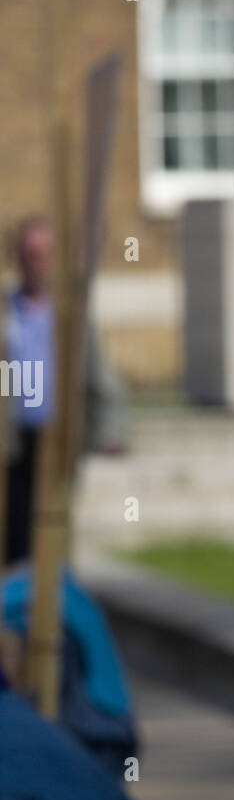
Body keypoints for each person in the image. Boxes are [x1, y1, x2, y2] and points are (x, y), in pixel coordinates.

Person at [4, 215, 128, 564]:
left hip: (57, 439)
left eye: (43, 255)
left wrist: (110, 431)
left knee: (52, 527)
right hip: (11, 440)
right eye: (29, 254)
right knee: (13, 526)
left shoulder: (70, 316)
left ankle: (52, 598)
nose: (36, 263)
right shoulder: (6, 312)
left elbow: (100, 376)